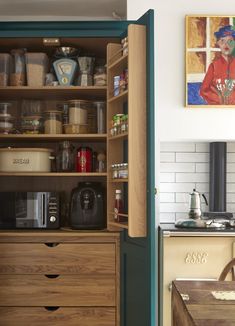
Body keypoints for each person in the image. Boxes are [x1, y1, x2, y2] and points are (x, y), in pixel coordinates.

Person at [200, 25, 235, 105]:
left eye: (230, 41)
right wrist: (218, 98)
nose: (226, 45)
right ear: (218, 43)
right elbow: (204, 90)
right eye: (222, 41)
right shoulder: (213, 66)